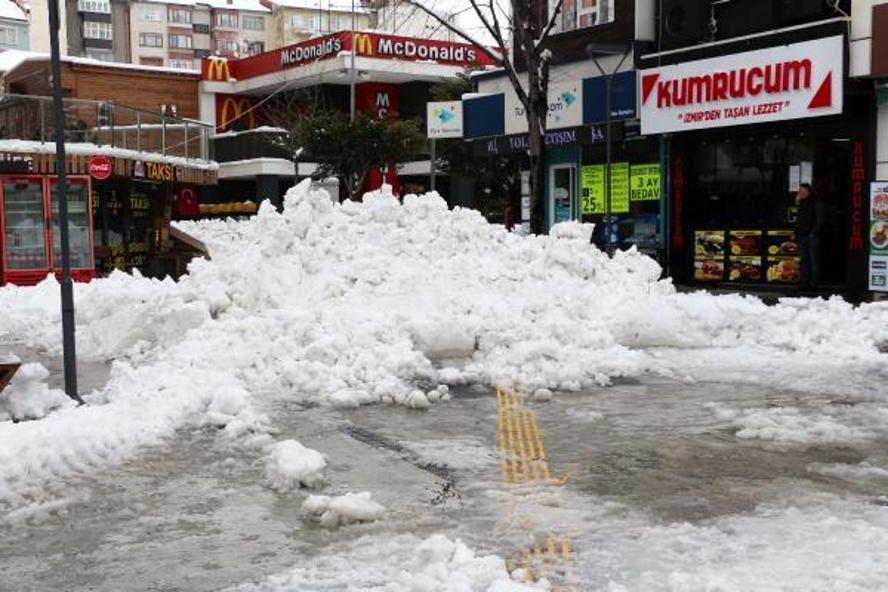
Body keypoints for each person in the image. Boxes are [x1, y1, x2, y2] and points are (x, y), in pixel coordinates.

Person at [795, 183, 824, 290]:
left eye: (802, 191)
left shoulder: (816, 202)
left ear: (808, 191)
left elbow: (820, 219)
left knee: (813, 260)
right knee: (804, 261)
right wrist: (797, 202)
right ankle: (804, 283)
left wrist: (814, 232)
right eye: (799, 191)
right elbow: (799, 219)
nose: (800, 193)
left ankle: (813, 284)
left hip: (812, 236)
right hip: (802, 235)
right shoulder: (802, 203)